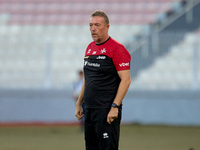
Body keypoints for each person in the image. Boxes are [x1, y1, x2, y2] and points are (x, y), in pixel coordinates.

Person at [75, 10, 131, 150]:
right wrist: (79, 103)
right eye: (91, 25)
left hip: (106, 111)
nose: (93, 28)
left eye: (97, 25)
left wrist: (115, 107)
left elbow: (126, 80)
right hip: (89, 110)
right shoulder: (90, 48)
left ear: (107, 27)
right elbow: (88, 80)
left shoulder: (117, 49)